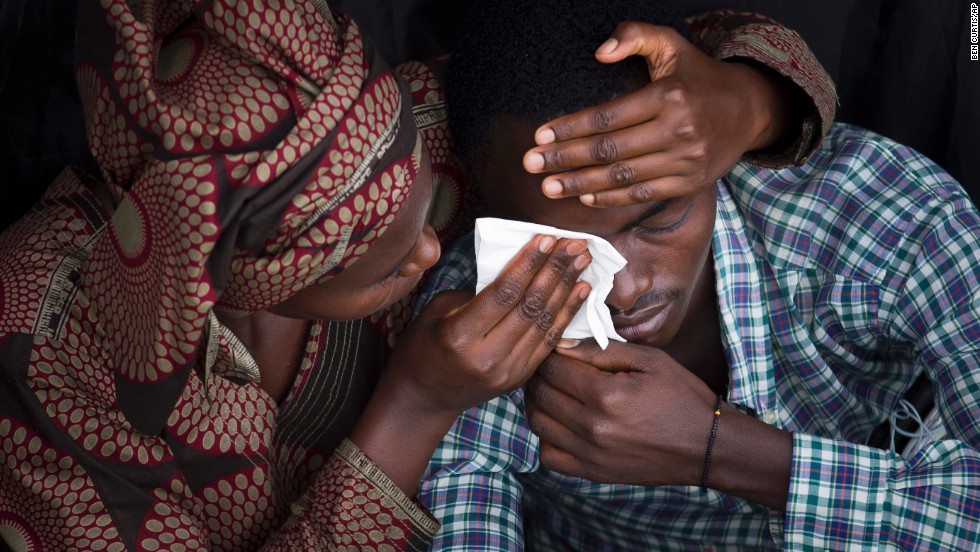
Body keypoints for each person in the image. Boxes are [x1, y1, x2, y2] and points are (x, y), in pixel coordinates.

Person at [0, 1, 837, 551]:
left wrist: (743, 100)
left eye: (421, 205)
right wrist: (415, 408)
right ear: (231, 281)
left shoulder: (364, 134)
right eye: (390, 265)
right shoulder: (47, 356)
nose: (435, 253)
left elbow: (667, 57)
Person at [415, 0, 980, 549]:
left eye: (659, 218)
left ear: (709, 153)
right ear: (488, 217)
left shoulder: (881, 217)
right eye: (565, 248)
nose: (626, 288)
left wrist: (725, 452)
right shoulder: (469, 336)